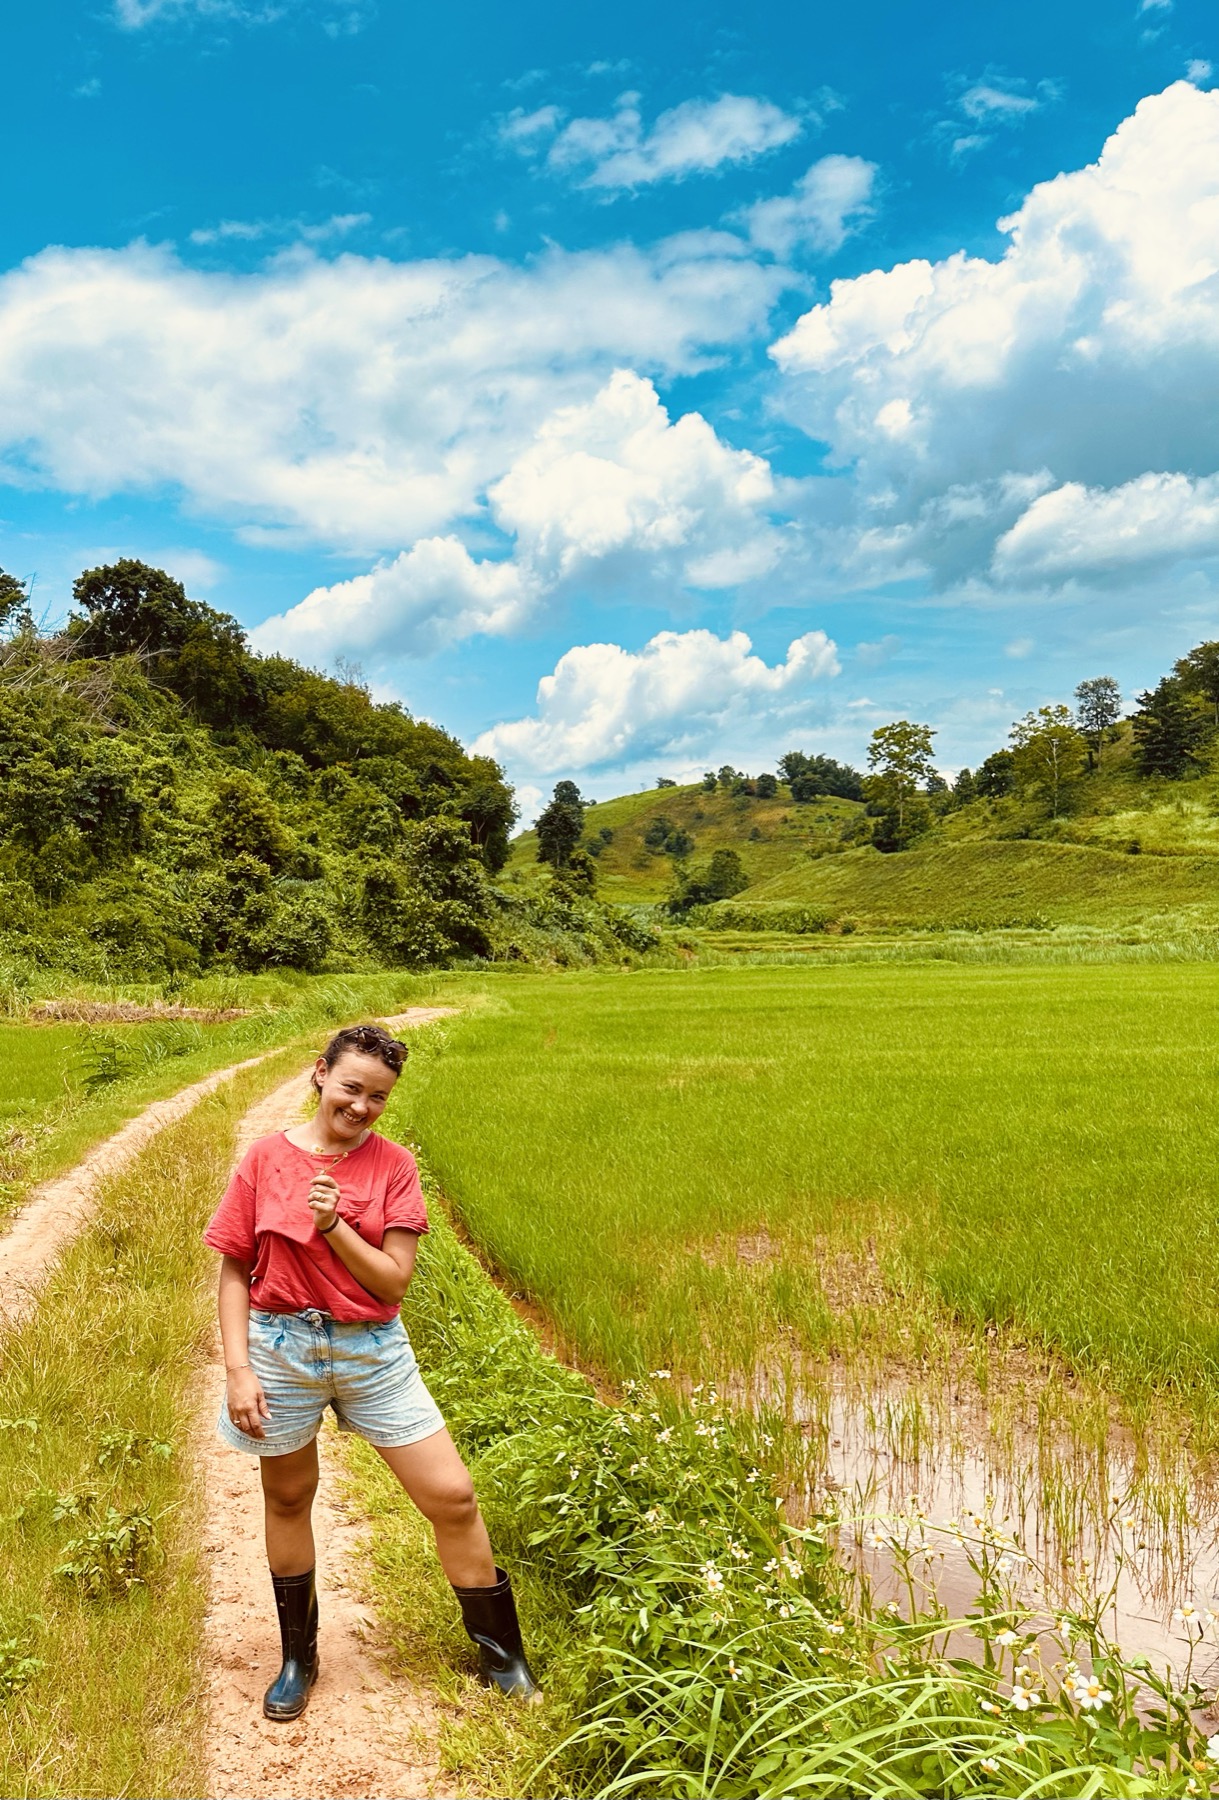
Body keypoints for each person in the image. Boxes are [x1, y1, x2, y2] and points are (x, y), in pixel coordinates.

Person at [204, 1021, 540, 1720]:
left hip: (371, 1352)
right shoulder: (264, 1160)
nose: (361, 1107)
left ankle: (501, 1656)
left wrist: (333, 1226)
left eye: (378, 1097)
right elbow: (235, 1269)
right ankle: (299, 1657)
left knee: (451, 1496)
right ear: (320, 1073)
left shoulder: (393, 1168)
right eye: (352, 1088)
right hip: (281, 1348)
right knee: (289, 1498)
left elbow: (391, 1283)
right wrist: (238, 1369)